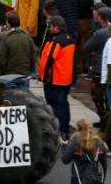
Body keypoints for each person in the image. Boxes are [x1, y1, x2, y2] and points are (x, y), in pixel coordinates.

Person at [38, 14, 75, 143]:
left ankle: (57, 131)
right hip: (65, 79)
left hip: (54, 80)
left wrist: (42, 76)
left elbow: (48, 60)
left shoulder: (56, 41)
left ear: (56, 27)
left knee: (54, 106)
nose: (49, 28)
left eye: (51, 26)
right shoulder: (69, 39)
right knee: (64, 104)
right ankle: (65, 130)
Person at [0, 11, 36, 87]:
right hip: (24, 75)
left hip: (9, 77)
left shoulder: (4, 36)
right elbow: (33, 57)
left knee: (10, 97)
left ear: (8, 23)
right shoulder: (27, 36)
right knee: (24, 97)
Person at [83, 4, 111, 123]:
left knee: (98, 96)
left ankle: (104, 120)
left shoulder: (100, 33)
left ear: (101, 17)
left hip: (99, 69)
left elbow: (87, 47)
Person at [61, 119, 108, 184]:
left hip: (78, 178)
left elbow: (65, 160)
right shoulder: (99, 142)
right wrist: (102, 179)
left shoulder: (75, 141)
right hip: (94, 178)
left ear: (78, 129)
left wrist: (64, 146)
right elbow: (104, 165)